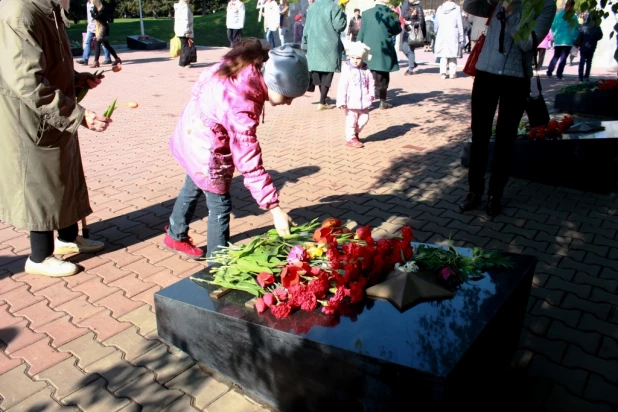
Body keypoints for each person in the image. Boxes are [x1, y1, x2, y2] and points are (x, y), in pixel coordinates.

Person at [164, 40, 309, 259]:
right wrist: (274, 208)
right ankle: (217, 266)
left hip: (192, 130)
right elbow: (249, 160)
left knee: (193, 181)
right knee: (220, 205)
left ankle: (175, 235)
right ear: (273, 82)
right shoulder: (242, 101)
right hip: (205, 145)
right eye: (287, 96)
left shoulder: (246, 66)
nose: (288, 103)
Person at [0, 0, 112, 277]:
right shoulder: (19, 12)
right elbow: (27, 82)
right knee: (40, 182)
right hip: (30, 118)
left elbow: (49, 61)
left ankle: (67, 238)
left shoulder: (47, 8)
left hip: (54, 115)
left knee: (64, 176)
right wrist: (78, 116)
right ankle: (38, 257)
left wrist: (75, 78)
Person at [459, 0, 556, 216]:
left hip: (516, 78)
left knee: (505, 138)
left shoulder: (545, 5)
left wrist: (511, 13)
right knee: (479, 135)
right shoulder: (498, 1)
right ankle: (474, 191)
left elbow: (528, 43)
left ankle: (495, 193)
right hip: (486, 74)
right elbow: (471, 6)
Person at [302, 0, 347, 110]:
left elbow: (306, 27)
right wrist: (343, 16)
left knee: (318, 70)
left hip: (314, 44)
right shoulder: (334, 7)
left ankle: (324, 97)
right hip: (329, 44)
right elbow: (340, 26)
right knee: (327, 72)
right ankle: (322, 101)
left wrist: (304, 43)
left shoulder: (311, 7)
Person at [357, 0, 402, 109]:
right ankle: (382, 101)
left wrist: (357, 47)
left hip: (368, 51)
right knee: (383, 76)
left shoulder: (366, 13)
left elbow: (361, 33)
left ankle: (365, 102)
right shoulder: (391, 14)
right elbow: (397, 30)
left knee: (366, 76)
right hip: (383, 50)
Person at [336, 42, 375, 149]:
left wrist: (371, 94)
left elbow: (371, 83)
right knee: (351, 121)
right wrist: (341, 101)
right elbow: (342, 86)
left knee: (364, 119)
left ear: (362, 58)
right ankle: (351, 138)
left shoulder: (366, 70)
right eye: (352, 57)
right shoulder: (347, 70)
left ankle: (355, 133)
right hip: (351, 102)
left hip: (364, 102)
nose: (355, 60)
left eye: (358, 58)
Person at [546, 0, 580, 79]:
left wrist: (555, 35)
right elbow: (575, 28)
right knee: (563, 58)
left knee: (556, 56)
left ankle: (549, 71)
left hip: (558, 39)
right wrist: (574, 37)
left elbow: (553, 26)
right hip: (568, 40)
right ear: (572, 6)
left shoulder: (558, 15)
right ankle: (559, 74)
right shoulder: (573, 16)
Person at [434, 0, 463, 79]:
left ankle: (443, 73)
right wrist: (461, 36)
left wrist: (436, 31)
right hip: (453, 32)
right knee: (453, 53)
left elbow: (436, 22)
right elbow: (459, 23)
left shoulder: (440, 8)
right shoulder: (457, 8)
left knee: (443, 54)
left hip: (442, 32)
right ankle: (452, 73)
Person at [76, 0, 111, 65]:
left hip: (98, 26)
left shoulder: (95, 2)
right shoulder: (88, 3)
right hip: (90, 27)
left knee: (103, 43)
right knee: (87, 42)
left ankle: (108, 58)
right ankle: (85, 59)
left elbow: (100, 14)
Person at [90, 0, 121, 68]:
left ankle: (96, 61)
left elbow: (97, 17)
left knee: (97, 43)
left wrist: (93, 13)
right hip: (100, 27)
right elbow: (95, 16)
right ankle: (117, 58)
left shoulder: (103, 8)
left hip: (103, 28)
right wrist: (93, 12)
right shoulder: (97, 8)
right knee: (106, 45)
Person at [401, 0, 426, 76]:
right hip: (406, 30)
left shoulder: (418, 7)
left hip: (413, 32)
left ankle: (410, 69)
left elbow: (421, 22)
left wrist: (410, 23)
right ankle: (413, 63)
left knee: (410, 49)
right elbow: (405, 16)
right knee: (404, 48)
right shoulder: (407, 6)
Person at [578, 14, 603, 82]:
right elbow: (600, 36)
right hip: (592, 46)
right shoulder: (597, 27)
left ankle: (580, 77)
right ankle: (586, 76)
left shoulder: (584, 25)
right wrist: (594, 39)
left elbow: (580, 35)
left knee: (582, 61)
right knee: (589, 62)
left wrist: (579, 43)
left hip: (583, 46)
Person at [175, 0, 196, 68]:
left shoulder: (178, 6)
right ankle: (184, 62)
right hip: (184, 30)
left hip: (179, 29)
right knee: (186, 46)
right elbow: (185, 19)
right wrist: (186, 31)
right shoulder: (184, 7)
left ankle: (183, 62)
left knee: (184, 46)